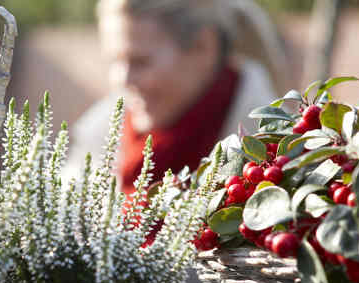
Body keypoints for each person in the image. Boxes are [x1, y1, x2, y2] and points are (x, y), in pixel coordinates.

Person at [65, 0, 287, 195]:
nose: (122, 80)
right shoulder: (98, 140)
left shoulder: (272, 164)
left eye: (140, 62)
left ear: (204, 47)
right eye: (115, 61)